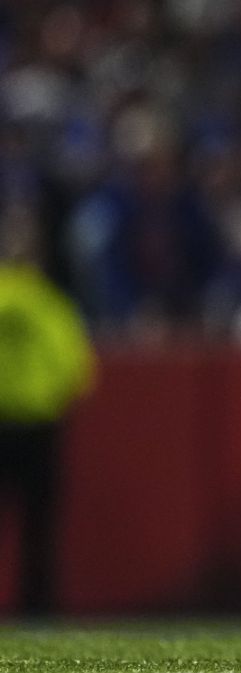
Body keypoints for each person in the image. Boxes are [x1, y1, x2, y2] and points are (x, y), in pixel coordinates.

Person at [0, 209, 95, 617]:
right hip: (35, 426)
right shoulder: (51, 304)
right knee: (39, 528)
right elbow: (78, 370)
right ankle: (37, 609)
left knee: (34, 525)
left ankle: (36, 606)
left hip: (14, 424)